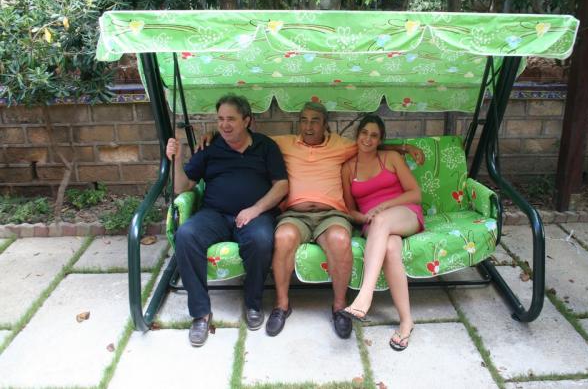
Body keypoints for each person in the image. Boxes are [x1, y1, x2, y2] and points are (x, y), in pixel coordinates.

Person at [264, 103, 424, 339]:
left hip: (349, 214)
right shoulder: (287, 144)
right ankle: (281, 306)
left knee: (345, 237)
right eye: (304, 120)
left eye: (315, 121)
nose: (308, 126)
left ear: (325, 124)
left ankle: (347, 303)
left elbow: (371, 148)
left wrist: (404, 147)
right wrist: (214, 134)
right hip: (300, 215)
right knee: (283, 236)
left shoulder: (345, 147)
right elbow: (249, 138)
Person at [166, 94, 288, 347]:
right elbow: (181, 187)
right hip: (215, 214)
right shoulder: (210, 148)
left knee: (261, 239)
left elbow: (281, 185)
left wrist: (255, 209)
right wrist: (176, 159)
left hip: (255, 215)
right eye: (220, 119)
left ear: (247, 120)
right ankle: (200, 314)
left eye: (231, 119)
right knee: (186, 235)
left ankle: (253, 304)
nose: (224, 125)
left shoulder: (266, 146)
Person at [338, 114, 423, 351]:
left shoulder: (391, 158)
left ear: (380, 140)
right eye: (364, 133)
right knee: (391, 248)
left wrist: (383, 207)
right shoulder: (348, 168)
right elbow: (350, 210)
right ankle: (406, 322)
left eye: (374, 135)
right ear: (357, 135)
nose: (368, 139)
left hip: (404, 213)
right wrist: (363, 217)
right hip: (373, 224)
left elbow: (415, 194)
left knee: (382, 220)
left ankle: (365, 295)